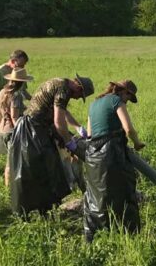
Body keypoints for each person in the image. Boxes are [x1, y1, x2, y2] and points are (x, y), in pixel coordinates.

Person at [8, 74, 94, 216]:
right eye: (80, 95)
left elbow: (63, 111)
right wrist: (69, 142)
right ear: (78, 86)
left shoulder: (60, 83)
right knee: (41, 169)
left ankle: (43, 209)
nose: (78, 98)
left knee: (46, 169)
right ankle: (36, 209)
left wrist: (77, 127)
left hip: (34, 128)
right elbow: (59, 122)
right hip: (33, 131)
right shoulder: (64, 90)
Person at [83, 80, 146, 242]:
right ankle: (128, 233)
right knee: (123, 190)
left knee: (99, 196)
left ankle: (96, 234)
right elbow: (128, 128)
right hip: (111, 152)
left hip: (93, 155)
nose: (127, 102)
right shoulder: (116, 100)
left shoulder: (95, 103)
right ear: (124, 92)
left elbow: (89, 133)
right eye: (128, 98)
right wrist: (137, 144)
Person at [0, 49, 30, 177]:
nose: (23, 66)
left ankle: (11, 168)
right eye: (21, 63)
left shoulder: (19, 73)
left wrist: (34, 101)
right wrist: (2, 109)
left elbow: (24, 92)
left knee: (9, 141)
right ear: (14, 61)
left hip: (14, 108)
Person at [0, 67, 34, 186]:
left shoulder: (2, 92)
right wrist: (21, 131)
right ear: (21, 82)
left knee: (11, 159)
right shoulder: (15, 95)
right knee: (11, 162)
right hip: (12, 131)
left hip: (2, 129)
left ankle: (10, 187)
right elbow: (14, 116)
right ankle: (9, 189)